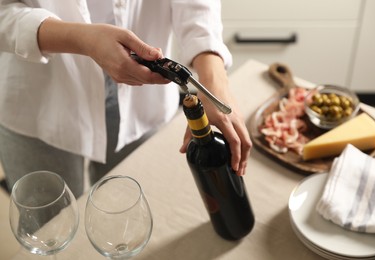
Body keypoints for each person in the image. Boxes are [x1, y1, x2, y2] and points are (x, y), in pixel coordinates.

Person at [0, 0, 252, 198]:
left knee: (127, 214)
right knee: (50, 230)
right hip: (37, 99)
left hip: (140, 99)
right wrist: (83, 38)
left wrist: (214, 79)